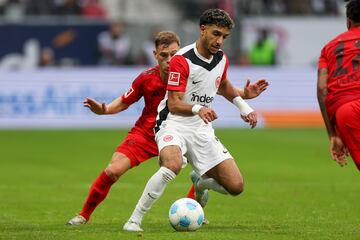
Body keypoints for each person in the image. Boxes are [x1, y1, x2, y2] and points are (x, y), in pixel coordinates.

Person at [67, 30, 268, 225]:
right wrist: (105, 110)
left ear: (180, 51)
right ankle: (84, 215)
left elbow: (219, 85)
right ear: (155, 55)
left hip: (182, 129)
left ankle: (194, 212)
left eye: (173, 53)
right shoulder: (146, 78)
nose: (169, 59)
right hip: (147, 133)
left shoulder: (189, 69)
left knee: (207, 172)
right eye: (164, 55)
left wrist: (244, 94)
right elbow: (124, 101)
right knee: (113, 170)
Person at [123, 9, 259, 232]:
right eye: (216, 34)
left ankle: (201, 182)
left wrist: (245, 107)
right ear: (202, 29)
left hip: (200, 128)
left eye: (224, 37)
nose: (219, 41)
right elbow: (174, 103)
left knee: (236, 186)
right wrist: (198, 108)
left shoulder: (221, 58)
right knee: (172, 166)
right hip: (173, 123)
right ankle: (134, 219)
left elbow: (223, 84)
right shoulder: (182, 60)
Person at [317, 0, 360, 170]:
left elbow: (322, 90)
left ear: (348, 21)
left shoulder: (329, 48)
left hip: (346, 111)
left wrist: (333, 134)